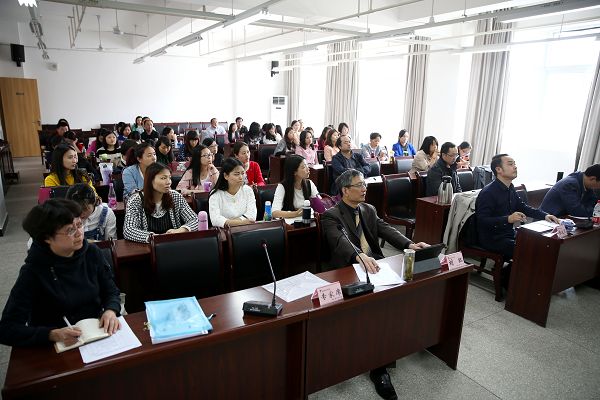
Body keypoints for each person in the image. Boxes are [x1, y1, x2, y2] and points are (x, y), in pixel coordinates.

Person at [321, 169, 428, 400]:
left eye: (364, 185)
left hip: (375, 266)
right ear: (345, 190)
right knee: (378, 307)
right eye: (359, 185)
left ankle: (386, 352)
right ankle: (379, 369)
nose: (364, 189)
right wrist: (358, 255)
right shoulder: (331, 215)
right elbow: (338, 240)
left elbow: (386, 229)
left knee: (400, 294)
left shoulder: (368, 209)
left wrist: (409, 244)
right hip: (348, 269)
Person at [0, 199, 121, 347]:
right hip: (58, 346)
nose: (79, 233)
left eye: (79, 224)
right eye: (70, 230)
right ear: (47, 238)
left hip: (97, 334)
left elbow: (111, 291)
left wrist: (110, 310)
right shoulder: (32, 272)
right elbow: (7, 329)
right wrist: (51, 334)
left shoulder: (92, 253)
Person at [475, 154, 559, 262]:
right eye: (510, 164)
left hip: (508, 233)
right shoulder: (488, 192)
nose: (515, 167)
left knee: (539, 243)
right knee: (528, 250)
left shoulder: (510, 187)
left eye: (514, 164)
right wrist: (508, 219)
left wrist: (545, 215)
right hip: (492, 238)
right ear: (498, 169)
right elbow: (482, 220)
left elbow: (523, 207)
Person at [123, 163, 198, 243]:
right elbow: (129, 230)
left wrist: (181, 230)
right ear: (150, 180)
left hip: (174, 244)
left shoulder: (175, 196)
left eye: (169, 178)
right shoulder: (136, 200)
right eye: (163, 178)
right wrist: (154, 237)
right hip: (147, 247)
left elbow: (195, 220)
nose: (168, 182)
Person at [208, 158, 257, 228]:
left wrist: (229, 222)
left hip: (246, 230)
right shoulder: (216, 194)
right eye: (236, 174)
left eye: (243, 173)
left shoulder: (248, 190)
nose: (241, 177)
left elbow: (252, 215)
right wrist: (243, 222)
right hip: (225, 231)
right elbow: (215, 220)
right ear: (226, 176)